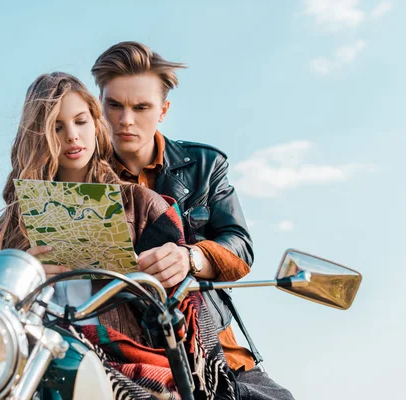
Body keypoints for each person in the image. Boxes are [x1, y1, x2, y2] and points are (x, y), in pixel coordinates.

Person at [0, 72, 243, 398]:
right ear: (37, 137)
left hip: (133, 370)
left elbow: (182, 309)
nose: (72, 136)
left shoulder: (143, 205)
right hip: (38, 373)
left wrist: (174, 268)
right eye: (57, 127)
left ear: (95, 122)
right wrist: (20, 278)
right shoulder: (1, 239)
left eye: (80, 121)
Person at [91, 41, 294, 399]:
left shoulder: (205, 165)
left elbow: (240, 247)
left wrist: (190, 258)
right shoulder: (79, 178)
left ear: (163, 110)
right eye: (114, 105)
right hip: (117, 350)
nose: (125, 120)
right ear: (99, 104)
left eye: (141, 107)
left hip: (211, 346)